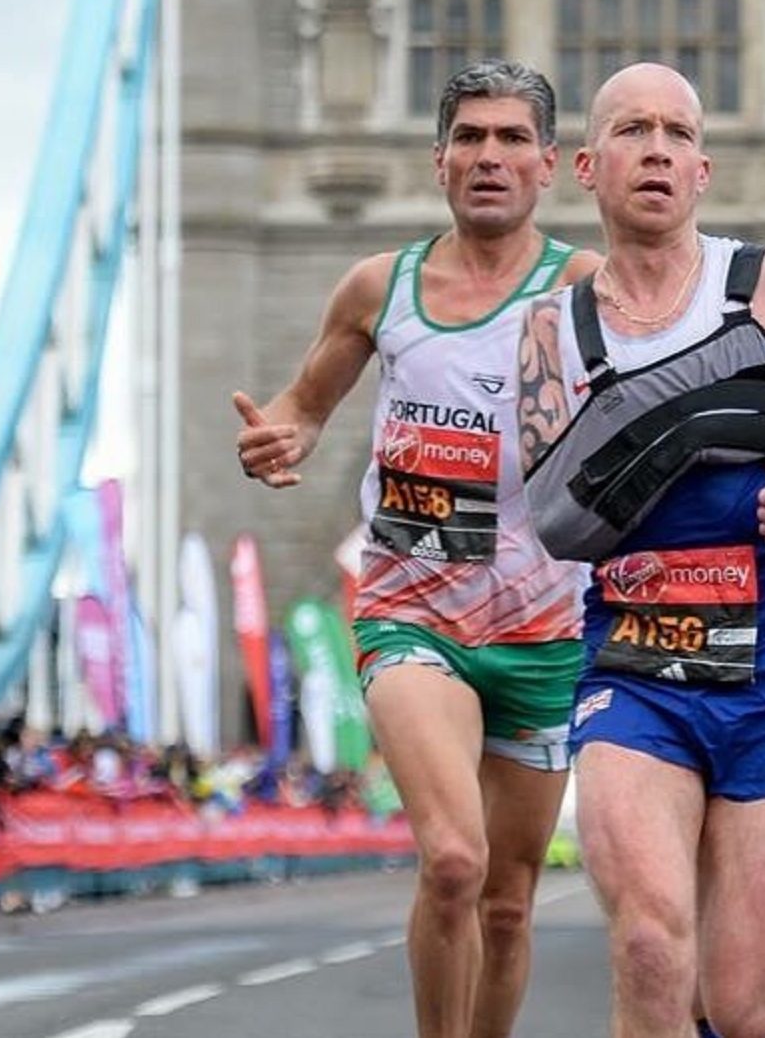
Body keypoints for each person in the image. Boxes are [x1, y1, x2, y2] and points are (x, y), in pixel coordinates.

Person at [515, 62, 765, 1038]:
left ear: (703, 168)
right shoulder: (552, 333)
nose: (654, 148)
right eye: (630, 130)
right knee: (653, 943)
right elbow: (552, 517)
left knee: (741, 1011)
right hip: (634, 669)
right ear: (586, 164)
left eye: (674, 133)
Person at [233, 60, 599, 1038]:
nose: (490, 156)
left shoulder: (586, 291)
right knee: (452, 861)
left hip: (544, 631)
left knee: (510, 901)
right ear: (438, 161)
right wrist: (280, 438)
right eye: (470, 139)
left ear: (549, 165)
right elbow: (303, 411)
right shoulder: (377, 288)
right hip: (411, 613)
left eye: (511, 139)